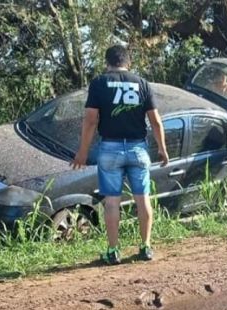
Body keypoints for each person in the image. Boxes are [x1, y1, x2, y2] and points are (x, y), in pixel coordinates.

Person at [72, 45, 168, 265]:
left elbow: (90, 120)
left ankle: (113, 251)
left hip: (110, 149)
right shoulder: (142, 83)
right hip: (138, 149)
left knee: (112, 201)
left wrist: (83, 152)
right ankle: (145, 248)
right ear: (128, 62)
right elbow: (155, 121)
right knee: (143, 199)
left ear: (107, 62)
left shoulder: (99, 83)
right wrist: (162, 148)